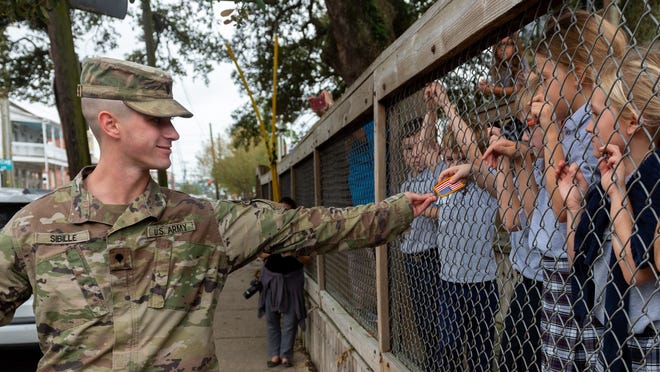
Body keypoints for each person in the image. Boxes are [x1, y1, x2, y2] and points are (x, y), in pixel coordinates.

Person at [0, 57, 436, 371]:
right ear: (111, 125)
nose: (172, 132)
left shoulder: (204, 221)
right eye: (157, 121)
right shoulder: (31, 228)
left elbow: (306, 228)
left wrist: (401, 209)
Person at [528, 10, 628, 371]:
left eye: (545, 78)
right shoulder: (572, 124)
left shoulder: (592, 129)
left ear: (579, 74)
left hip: (578, 269)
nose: (538, 90)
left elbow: (562, 208)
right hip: (557, 265)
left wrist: (551, 134)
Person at [556, 48, 659, 371]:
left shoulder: (653, 180)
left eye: (597, 114)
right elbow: (578, 259)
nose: (588, 129)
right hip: (606, 335)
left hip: (644, 343)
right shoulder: (609, 178)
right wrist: (575, 207)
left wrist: (618, 195)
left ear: (630, 122)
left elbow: (636, 271)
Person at [425, 81, 500, 372]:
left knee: (481, 354)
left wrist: (446, 103)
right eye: (449, 157)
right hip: (450, 283)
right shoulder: (446, 185)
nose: (453, 164)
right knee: (450, 348)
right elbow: (424, 148)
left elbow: (470, 149)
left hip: (482, 284)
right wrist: (432, 111)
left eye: (460, 158)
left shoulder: (489, 182)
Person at [482, 73, 545, 372]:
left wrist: (519, 158)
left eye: (532, 125)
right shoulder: (525, 159)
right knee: (508, 358)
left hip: (550, 283)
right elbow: (510, 220)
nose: (524, 135)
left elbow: (537, 221)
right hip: (526, 280)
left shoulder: (549, 165)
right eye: (522, 125)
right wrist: (505, 156)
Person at [397, 114, 443, 372]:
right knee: (422, 323)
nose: (414, 154)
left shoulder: (436, 175)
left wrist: (421, 208)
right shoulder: (406, 184)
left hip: (432, 259)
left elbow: (445, 206)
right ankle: (430, 363)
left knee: (438, 324)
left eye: (419, 146)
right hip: (411, 259)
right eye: (408, 148)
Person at [258, 197, 311, 368]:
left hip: (292, 280)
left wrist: (293, 253)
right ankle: (274, 355)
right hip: (272, 279)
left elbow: (307, 259)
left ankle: (286, 356)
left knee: (290, 320)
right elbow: (260, 254)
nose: (282, 214)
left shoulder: (300, 232)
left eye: (286, 211)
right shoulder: (269, 231)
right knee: (272, 319)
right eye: (279, 210)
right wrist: (275, 249)